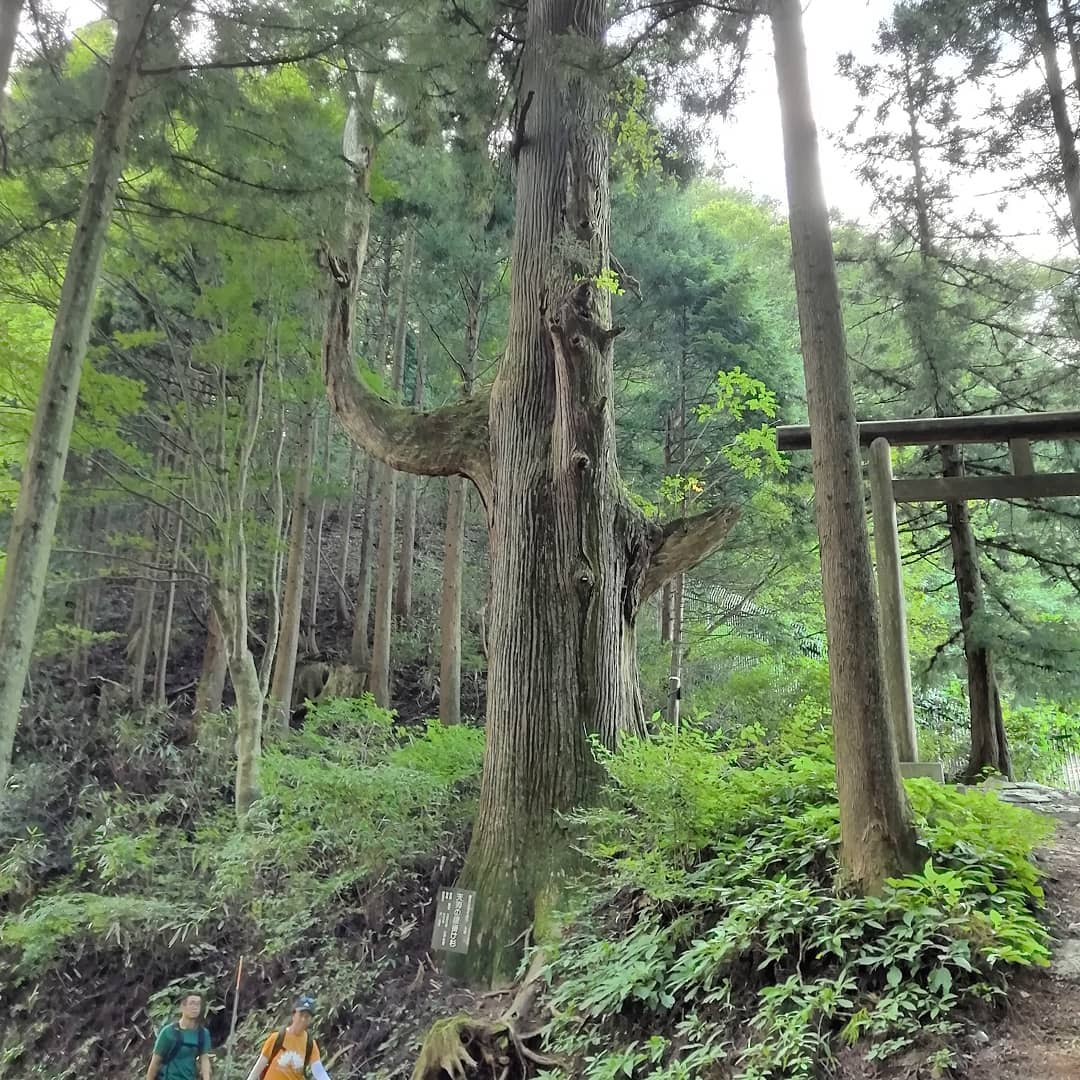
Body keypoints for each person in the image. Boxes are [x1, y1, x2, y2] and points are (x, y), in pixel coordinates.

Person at [245, 995, 332, 1080]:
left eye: (307, 1017)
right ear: (294, 1016)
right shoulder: (276, 1038)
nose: (303, 1019)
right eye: (301, 1015)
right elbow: (259, 1067)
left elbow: (319, 1072)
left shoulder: (310, 1044)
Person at [146, 991, 212, 1080]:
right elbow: (155, 1062)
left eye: (198, 1004)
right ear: (183, 1007)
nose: (195, 1007)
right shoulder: (168, 1032)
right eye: (192, 1003)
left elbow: (204, 1060)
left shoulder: (203, 1034)